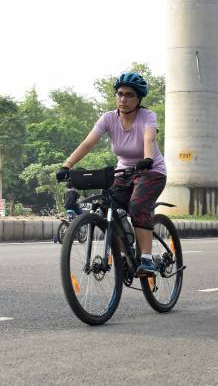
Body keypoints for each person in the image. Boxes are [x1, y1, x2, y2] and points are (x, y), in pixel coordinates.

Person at [56, 72, 166, 276]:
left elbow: (149, 139)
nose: (123, 99)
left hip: (151, 171)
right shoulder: (108, 118)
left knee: (137, 206)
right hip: (124, 171)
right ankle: (126, 254)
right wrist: (67, 165)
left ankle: (146, 259)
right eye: (120, 94)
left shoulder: (147, 116)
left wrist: (148, 159)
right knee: (107, 207)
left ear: (139, 98)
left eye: (129, 95)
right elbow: (88, 142)